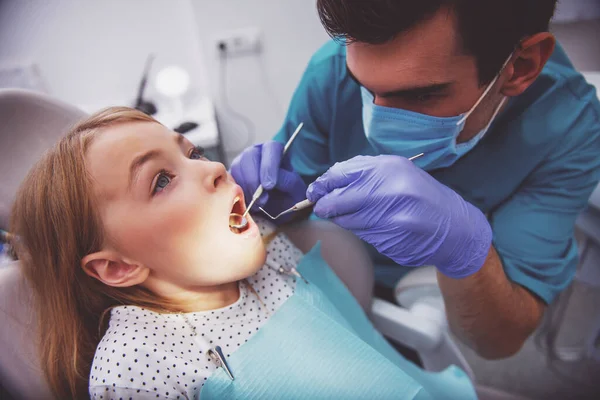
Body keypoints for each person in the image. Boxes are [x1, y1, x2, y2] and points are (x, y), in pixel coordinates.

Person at [10, 107, 477, 399]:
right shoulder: (136, 368)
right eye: (162, 180)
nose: (214, 167)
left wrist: (291, 216)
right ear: (117, 265)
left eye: (191, 153)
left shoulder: (265, 253)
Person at [230, 0, 600, 360]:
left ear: (519, 67)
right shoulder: (330, 70)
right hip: (337, 273)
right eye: (364, 87)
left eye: (421, 95)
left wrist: (465, 252)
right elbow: (290, 206)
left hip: (442, 303)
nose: (378, 125)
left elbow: (497, 341)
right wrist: (278, 206)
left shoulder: (569, 126)